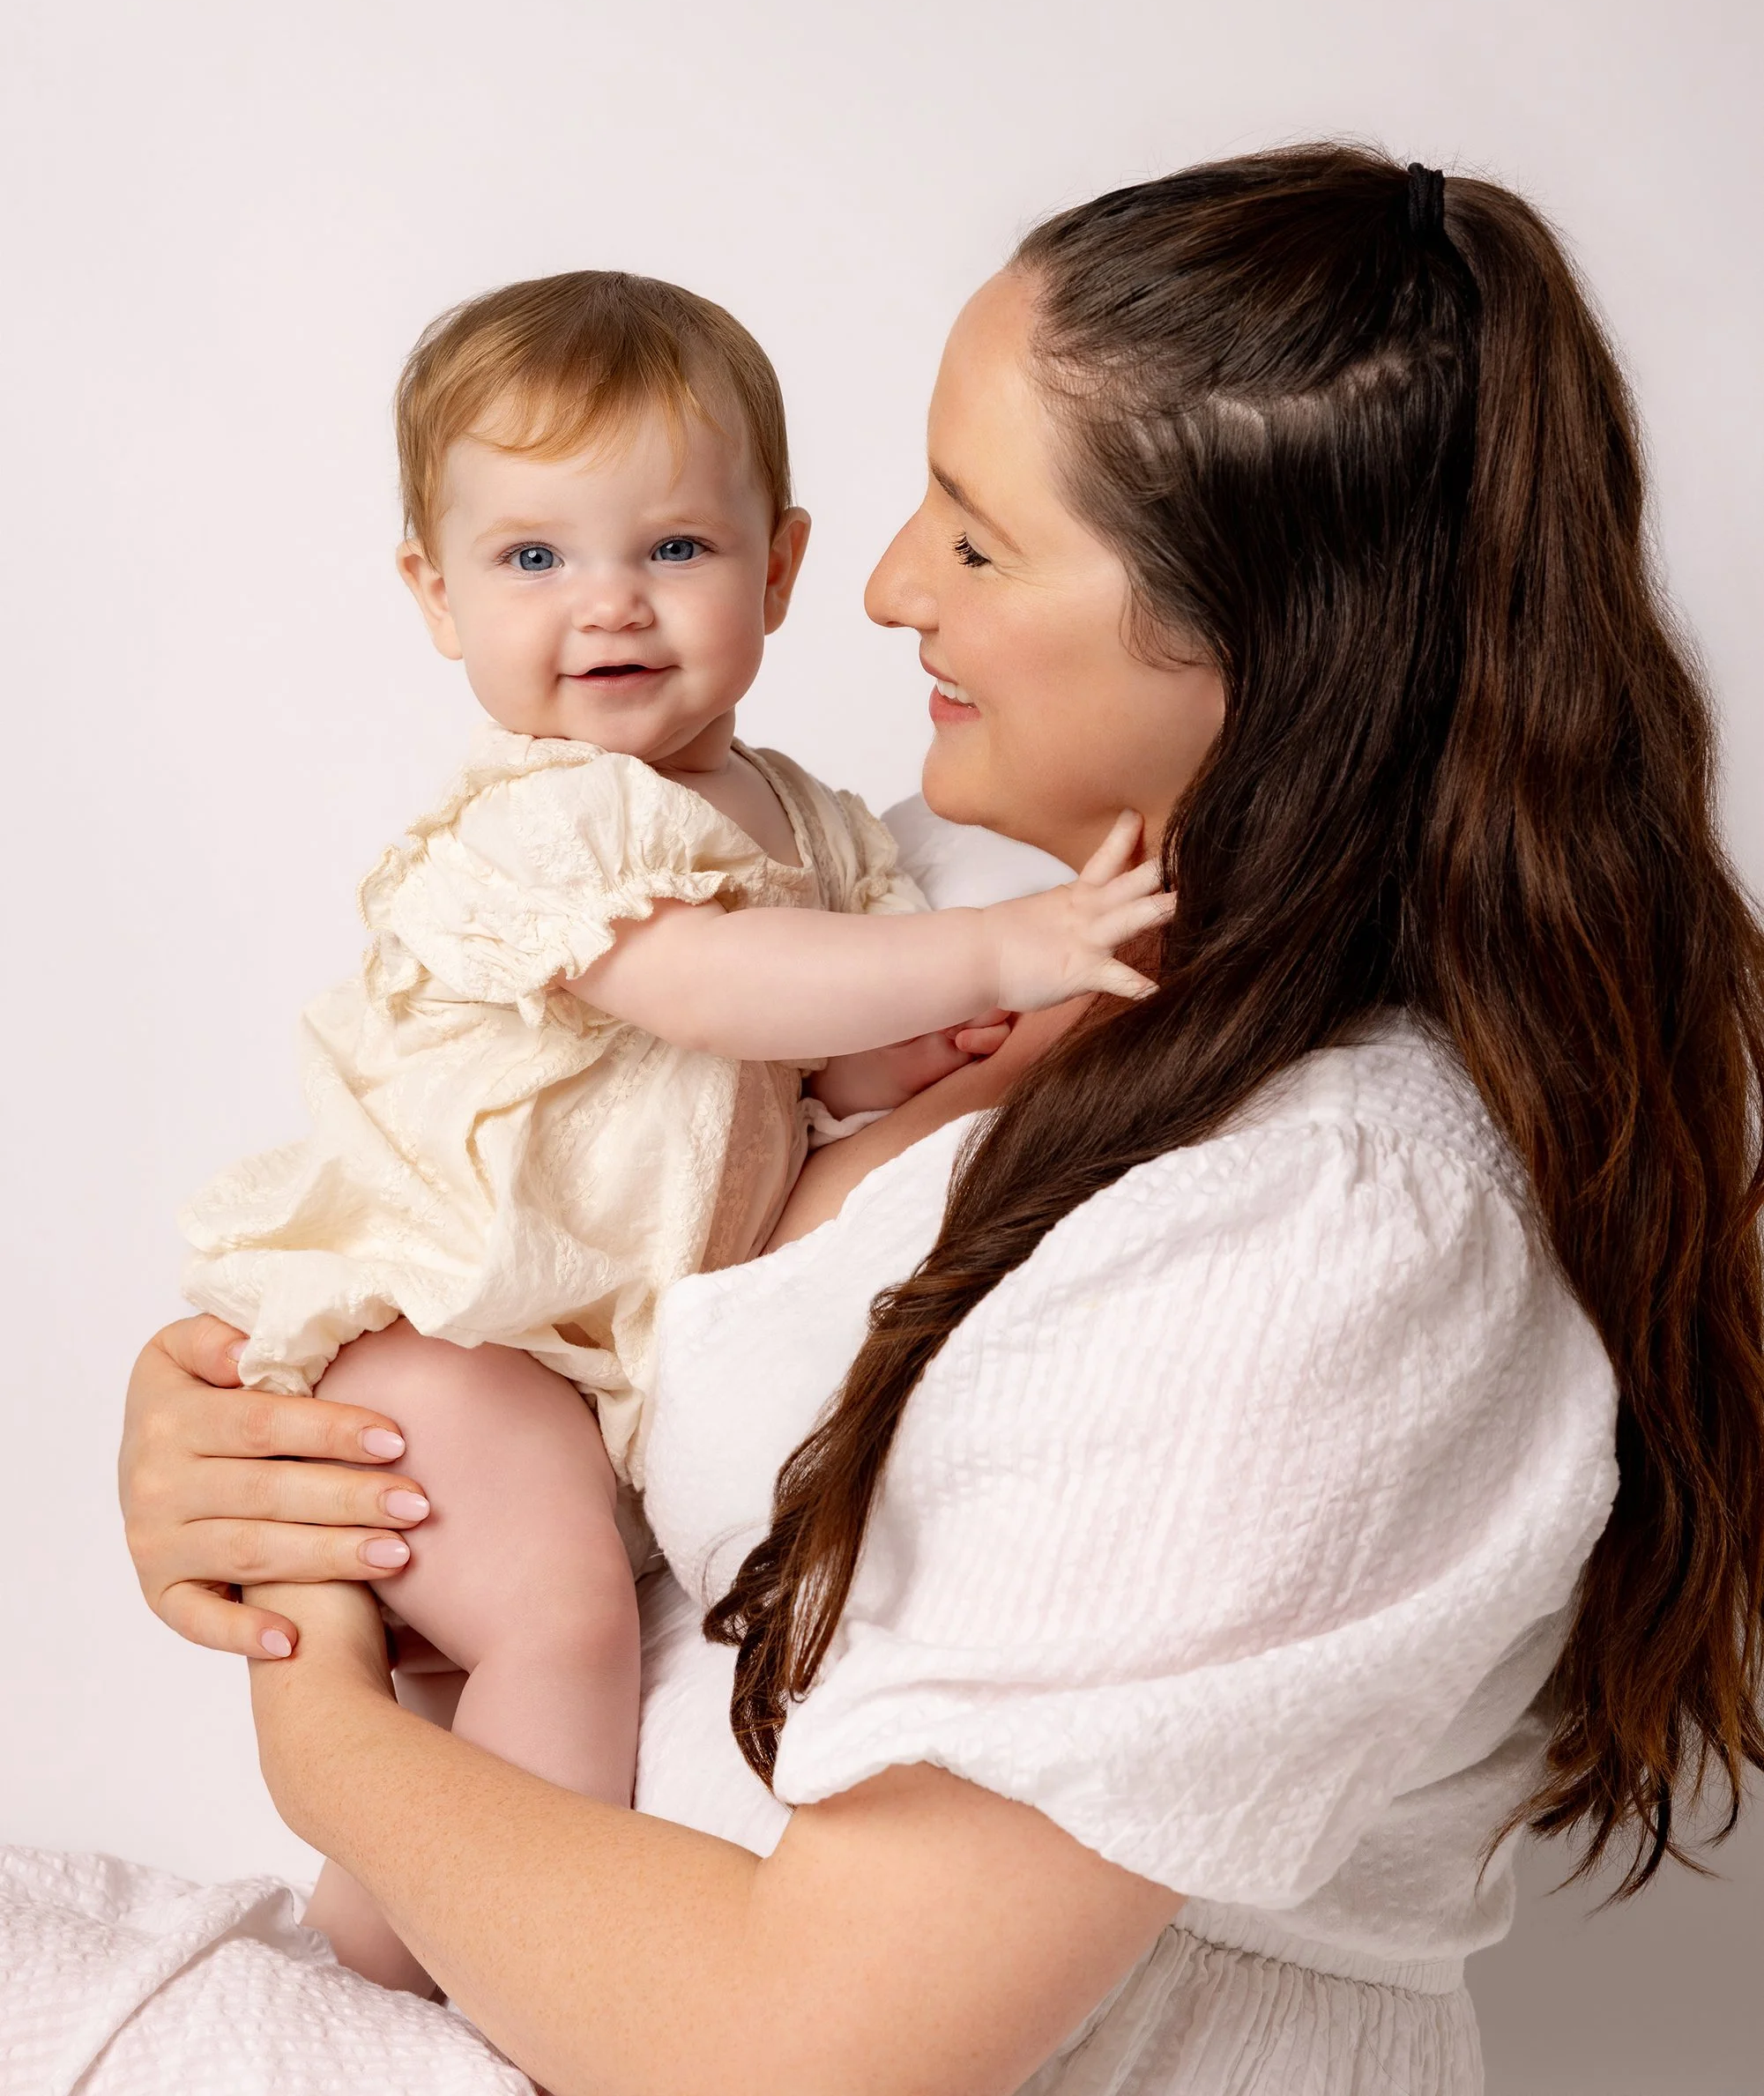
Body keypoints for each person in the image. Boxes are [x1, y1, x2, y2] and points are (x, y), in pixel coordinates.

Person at [108, 145, 1764, 2095]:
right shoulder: (937, 897)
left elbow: (818, 2048)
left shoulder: (1340, 1219)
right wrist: (246, 1450)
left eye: (977, 544)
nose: (888, 587)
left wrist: (324, 1729)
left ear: (1275, 624)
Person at [175, 265, 1170, 1992]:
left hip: (586, 1377)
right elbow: (710, 992)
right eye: (531, 558)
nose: (609, 606)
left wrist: (933, 1051)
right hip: (452, 1341)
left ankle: (364, 1967)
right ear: (433, 594)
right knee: (558, 1638)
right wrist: (1003, 950)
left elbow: (812, 1081)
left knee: (501, 1701)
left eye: (677, 548)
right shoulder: (539, 820)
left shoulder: (814, 829)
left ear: (778, 568)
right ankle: (497, 2010)